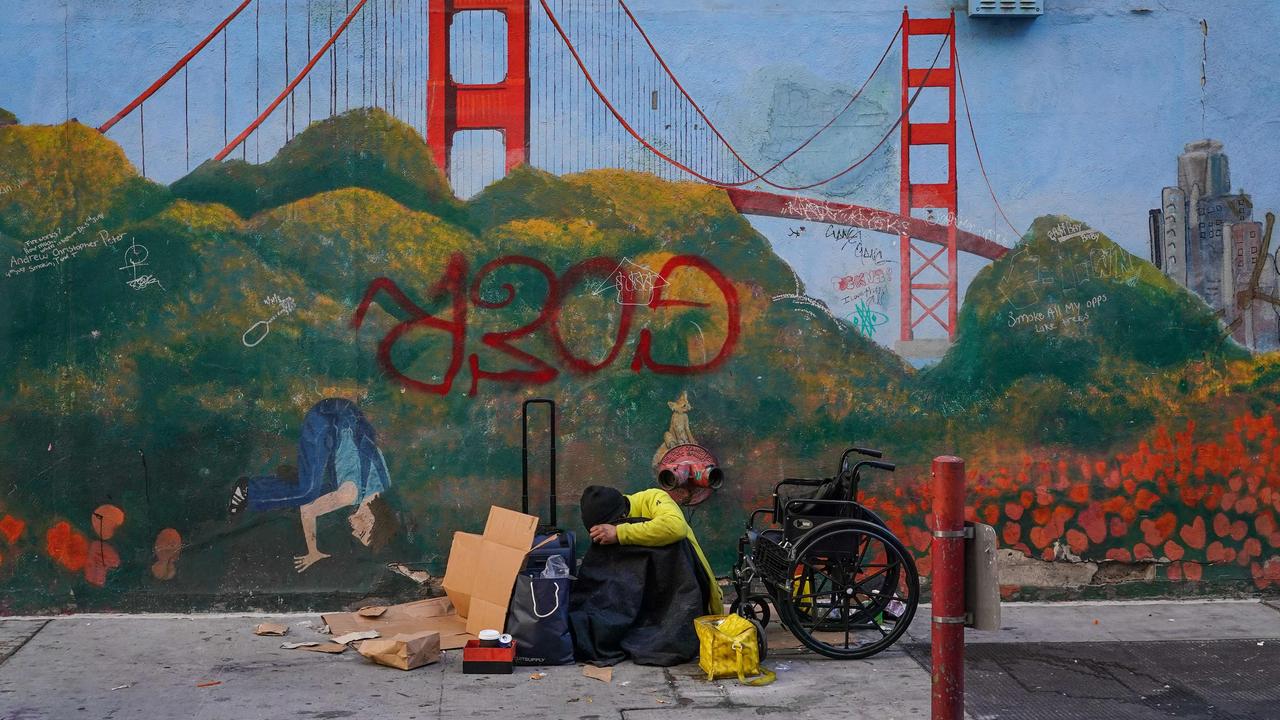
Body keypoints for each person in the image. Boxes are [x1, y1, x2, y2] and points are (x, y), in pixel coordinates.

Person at [227, 398, 396, 572]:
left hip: (343, 413)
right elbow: (308, 510)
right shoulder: (350, 494)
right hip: (326, 418)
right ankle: (248, 490)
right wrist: (313, 551)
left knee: (323, 490)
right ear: (371, 520)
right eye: (362, 533)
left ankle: (294, 480)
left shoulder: (383, 483)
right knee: (306, 495)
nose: (353, 532)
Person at [580, 485, 723, 615]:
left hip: (684, 597)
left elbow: (676, 527)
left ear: (623, 516)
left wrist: (619, 533)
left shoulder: (653, 498)